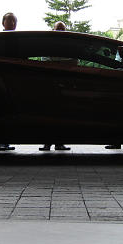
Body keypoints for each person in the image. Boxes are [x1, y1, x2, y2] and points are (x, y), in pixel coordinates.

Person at [0, 12, 18, 152]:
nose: (12, 23)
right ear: (3, 23)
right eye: (10, 20)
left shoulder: (16, 39)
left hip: (11, 77)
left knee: (8, 109)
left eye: (14, 21)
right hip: (0, 76)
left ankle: (3, 141)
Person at [40, 21, 71, 152]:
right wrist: (62, 64)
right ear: (53, 30)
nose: (60, 32)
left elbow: (75, 61)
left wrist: (56, 63)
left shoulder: (69, 46)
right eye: (58, 29)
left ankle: (59, 142)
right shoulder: (48, 45)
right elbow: (44, 61)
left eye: (62, 30)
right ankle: (47, 143)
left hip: (64, 84)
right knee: (48, 114)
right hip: (50, 84)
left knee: (62, 114)